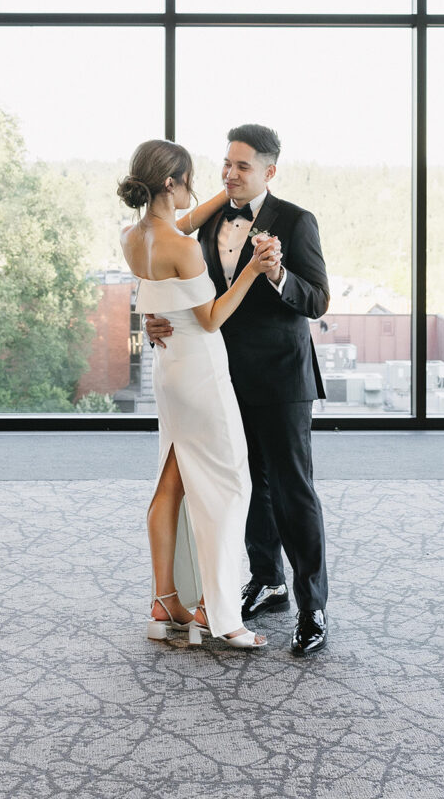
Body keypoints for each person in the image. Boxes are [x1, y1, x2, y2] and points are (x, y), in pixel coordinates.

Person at [145, 124, 331, 655]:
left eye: (242, 166)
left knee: (293, 492)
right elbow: (174, 280)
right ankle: (267, 578)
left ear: (269, 171)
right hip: (219, 378)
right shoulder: (205, 223)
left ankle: (313, 605)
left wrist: (277, 275)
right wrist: (155, 318)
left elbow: (317, 300)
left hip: (281, 378)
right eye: (226, 163)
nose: (229, 173)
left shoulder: (296, 221)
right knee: (240, 487)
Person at [118, 138, 281, 649]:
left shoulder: (132, 237)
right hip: (202, 375)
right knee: (231, 483)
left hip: (167, 373)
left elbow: (178, 227)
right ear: (171, 182)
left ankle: (164, 601)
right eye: (190, 177)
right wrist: (254, 270)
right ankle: (219, 612)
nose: (200, 185)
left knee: (173, 482)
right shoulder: (185, 248)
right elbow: (210, 319)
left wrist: (222, 196)